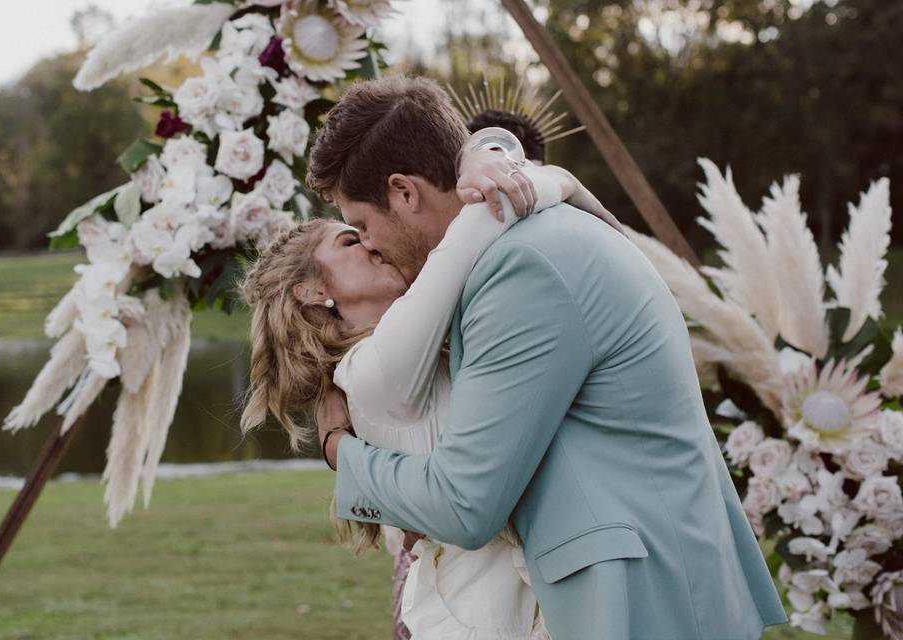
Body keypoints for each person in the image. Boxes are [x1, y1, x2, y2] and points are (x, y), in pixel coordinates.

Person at [307, 75, 788, 640]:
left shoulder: (523, 268)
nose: (368, 245)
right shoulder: (523, 239)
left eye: (362, 225)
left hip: (646, 597)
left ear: (405, 192)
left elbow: (464, 504)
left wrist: (341, 451)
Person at [240, 120, 616, 637]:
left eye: (360, 229)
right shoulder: (369, 371)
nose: (370, 243)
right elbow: (474, 229)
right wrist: (552, 178)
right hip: (481, 608)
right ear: (310, 291)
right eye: (350, 239)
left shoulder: (398, 353)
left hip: (512, 588)